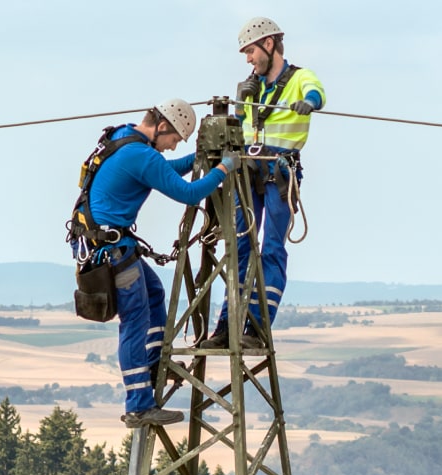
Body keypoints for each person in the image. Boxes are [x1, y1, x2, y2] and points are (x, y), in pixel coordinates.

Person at [70, 99, 239, 427]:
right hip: (111, 249)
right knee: (134, 320)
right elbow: (189, 194)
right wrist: (224, 169)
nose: (174, 145)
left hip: (107, 244)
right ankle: (139, 404)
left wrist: (202, 159)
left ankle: (153, 366)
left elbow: (165, 171)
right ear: (163, 126)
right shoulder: (140, 155)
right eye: (175, 138)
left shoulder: (125, 140)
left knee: (155, 294)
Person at [200, 17, 326, 349]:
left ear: (269, 44)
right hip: (248, 170)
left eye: (250, 51)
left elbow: (317, 93)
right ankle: (227, 326)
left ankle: (256, 328)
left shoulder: (300, 78)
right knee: (240, 247)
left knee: (271, 248)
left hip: (280, 172)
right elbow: (239, 127)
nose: (248, 59)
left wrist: (308, 103)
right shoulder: (252, 86)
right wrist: (242, 103)